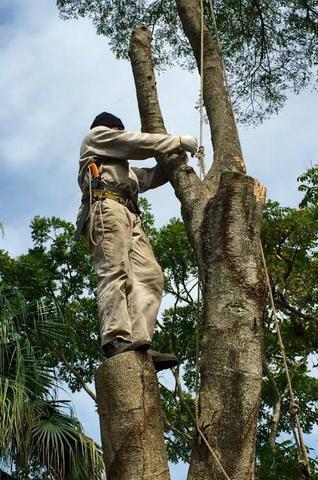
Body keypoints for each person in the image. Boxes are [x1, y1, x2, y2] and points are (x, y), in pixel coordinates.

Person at [76, 112, 198, 371]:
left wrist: (176, 159)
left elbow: (150, 178)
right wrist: (175, 141)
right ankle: (115, 338)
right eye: (119, 130)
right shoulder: (96, 138)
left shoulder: (126, 172)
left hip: (130, 213)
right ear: (112, 130)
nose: (122, 134)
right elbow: (137, 143)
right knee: (115, 270)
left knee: (151, 277)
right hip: (106, 206)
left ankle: (138, 341)